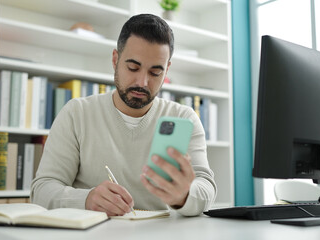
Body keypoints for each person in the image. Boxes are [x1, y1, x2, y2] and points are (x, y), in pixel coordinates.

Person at [31, 14, 216, 217]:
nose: (142, 82)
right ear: (115, 59)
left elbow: (206, 187)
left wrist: (185, 196)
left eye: (155, 73)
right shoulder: (77, 113)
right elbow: (41, 190)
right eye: (133, 67)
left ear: (167, 70)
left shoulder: (184, 118)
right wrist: (86, 199)